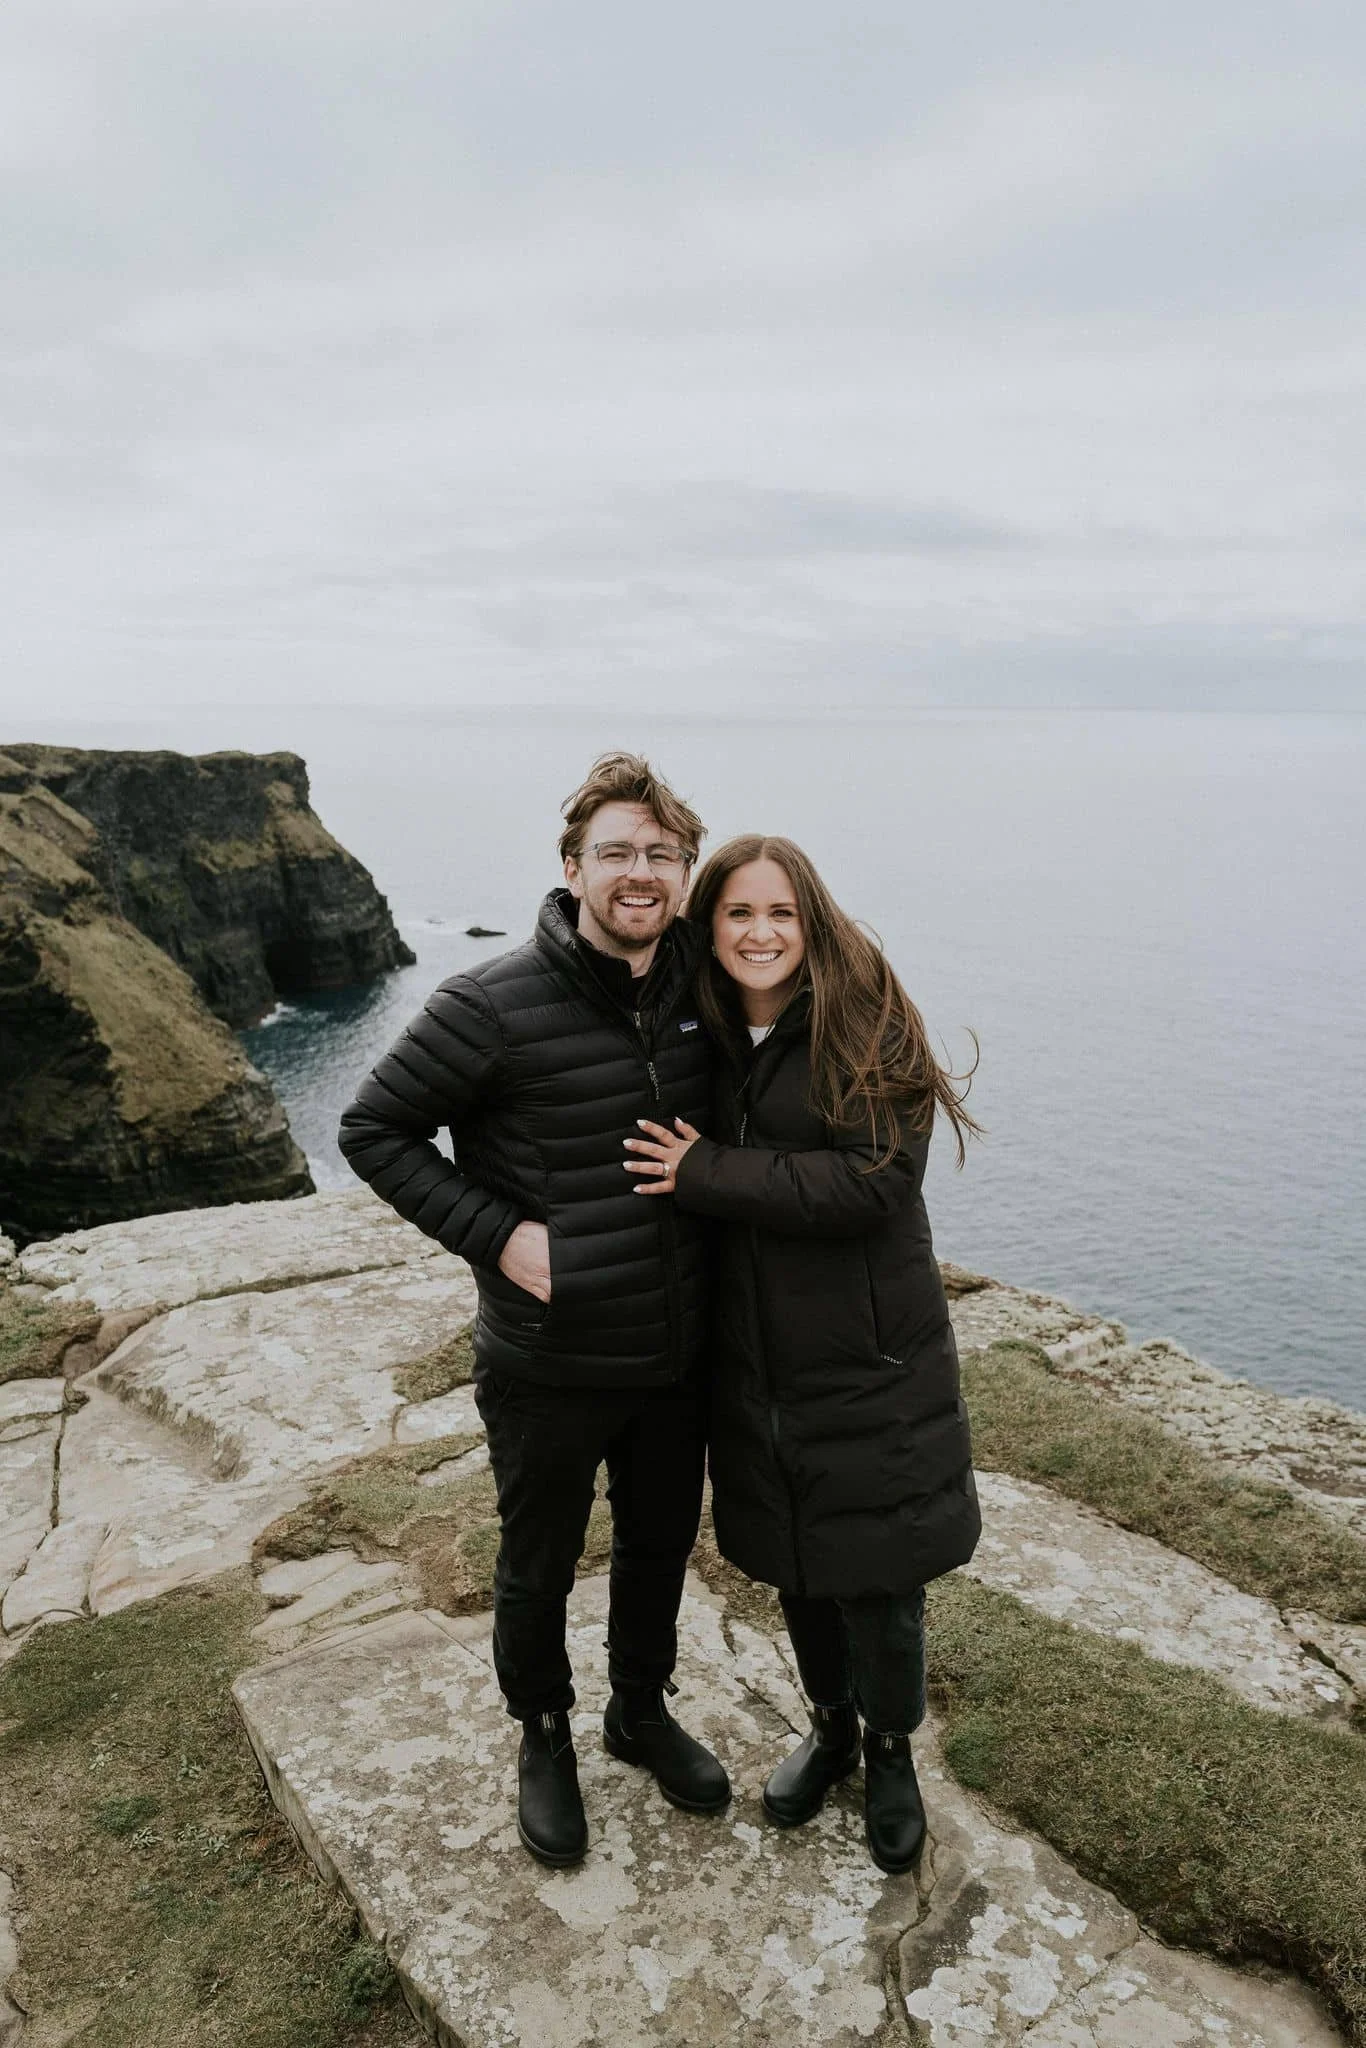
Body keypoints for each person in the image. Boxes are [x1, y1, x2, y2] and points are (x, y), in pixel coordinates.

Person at [338, 753, 729, 1870]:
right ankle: (544, 1730)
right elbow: (373, 1131)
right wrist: (501, 1235)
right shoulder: (488, 1002)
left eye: (662, 854)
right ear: (572, 868)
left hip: (675, 1349)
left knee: (658, 1543)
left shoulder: (703, 986)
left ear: (685, 873)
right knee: (539, 1556)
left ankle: (637, 1709)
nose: (639, 872)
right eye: (617, 852)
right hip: (548, 1359)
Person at [623, 834, 981, 1875]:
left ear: (810, 916)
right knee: (795, 1560)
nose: (759, 932)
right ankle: (829, 1726)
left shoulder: (862, 1019)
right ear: (711, 926)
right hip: (754, 1359)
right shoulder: (708, 1027)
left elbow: (874, 1181)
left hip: (868, 1358)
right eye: (737, 913)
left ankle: (890, 1751)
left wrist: (707, 1171)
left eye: (779, 912)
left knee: (880, 1574)